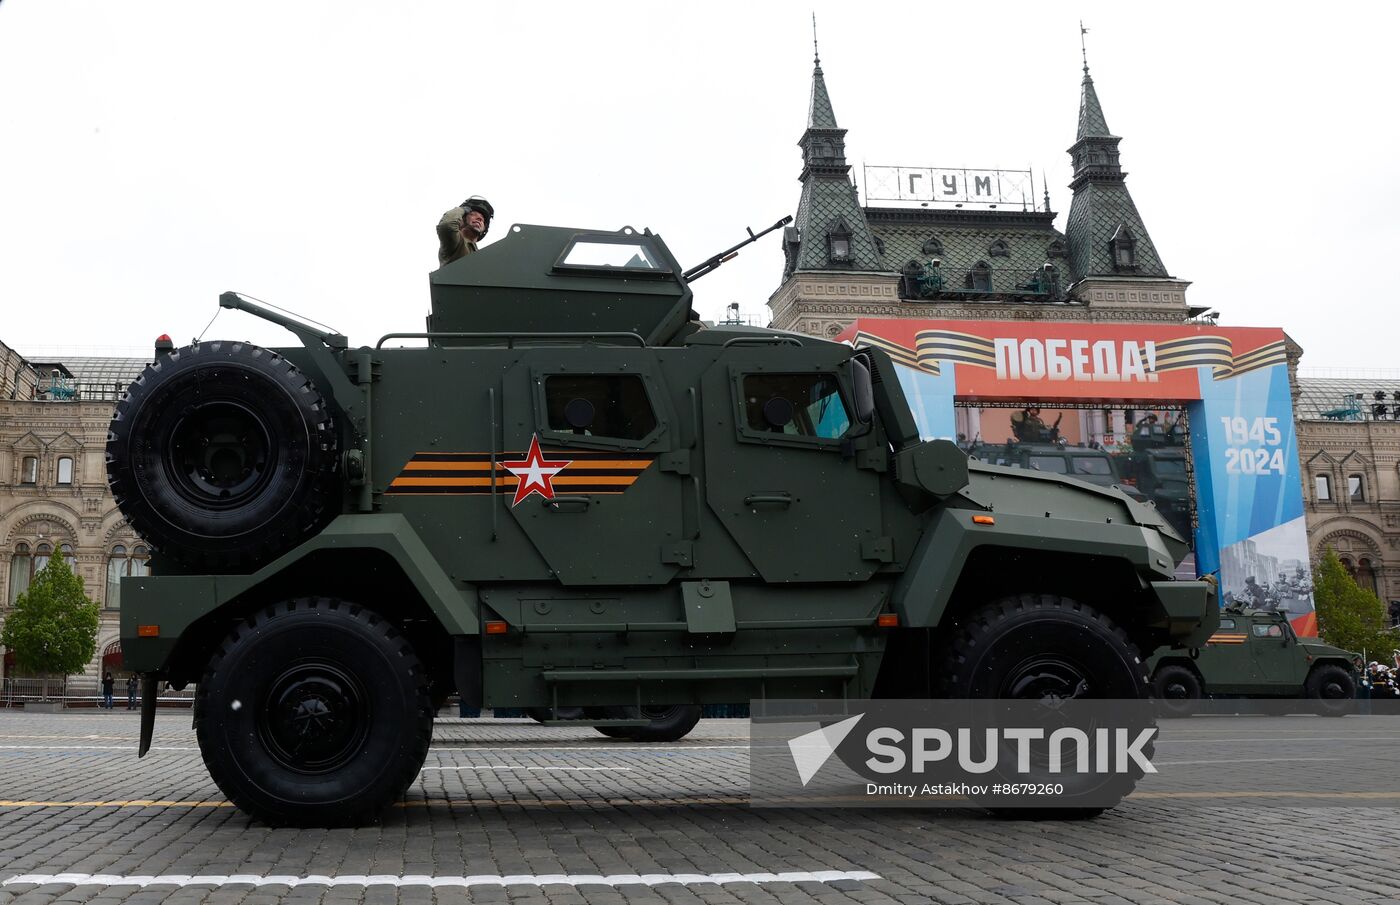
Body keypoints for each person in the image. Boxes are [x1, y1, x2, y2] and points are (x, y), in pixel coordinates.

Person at [436, 195, 495, 266]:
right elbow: (447, 226)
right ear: (462, 220)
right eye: (473, 214)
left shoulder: (480, 257)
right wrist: (462, 210)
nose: (479, 219)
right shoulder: (456, 242)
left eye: (482, 219)